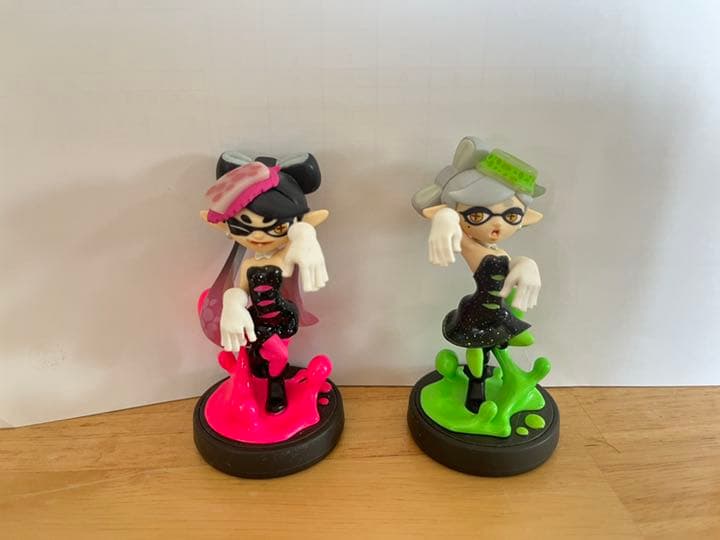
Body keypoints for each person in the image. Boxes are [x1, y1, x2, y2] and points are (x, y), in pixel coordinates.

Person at [412, 137, 545, 412]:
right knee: (476, 349)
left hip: (500, 311)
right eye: (477, 215)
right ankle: (476, 384)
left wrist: (527, 264)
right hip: (478, 310)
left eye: (511, 216)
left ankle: (503, 379)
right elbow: (454, 229)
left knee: (500, 346)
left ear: (526, 217)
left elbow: (510, 263)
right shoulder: (471, 247)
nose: (497, 226)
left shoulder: (496, 250)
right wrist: (446, 217)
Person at [199, 152, 328, 412]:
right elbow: (241, 290)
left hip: (284, 318)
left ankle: (274, 382)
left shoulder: (285, 256)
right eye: (244, 225)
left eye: (275, 227)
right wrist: (232, 303)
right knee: (269, 355)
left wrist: (305, 233)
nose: (258, 236)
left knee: (277, 354)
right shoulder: (249, 266)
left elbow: (297, 240)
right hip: (257, 321)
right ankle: (264, 380)